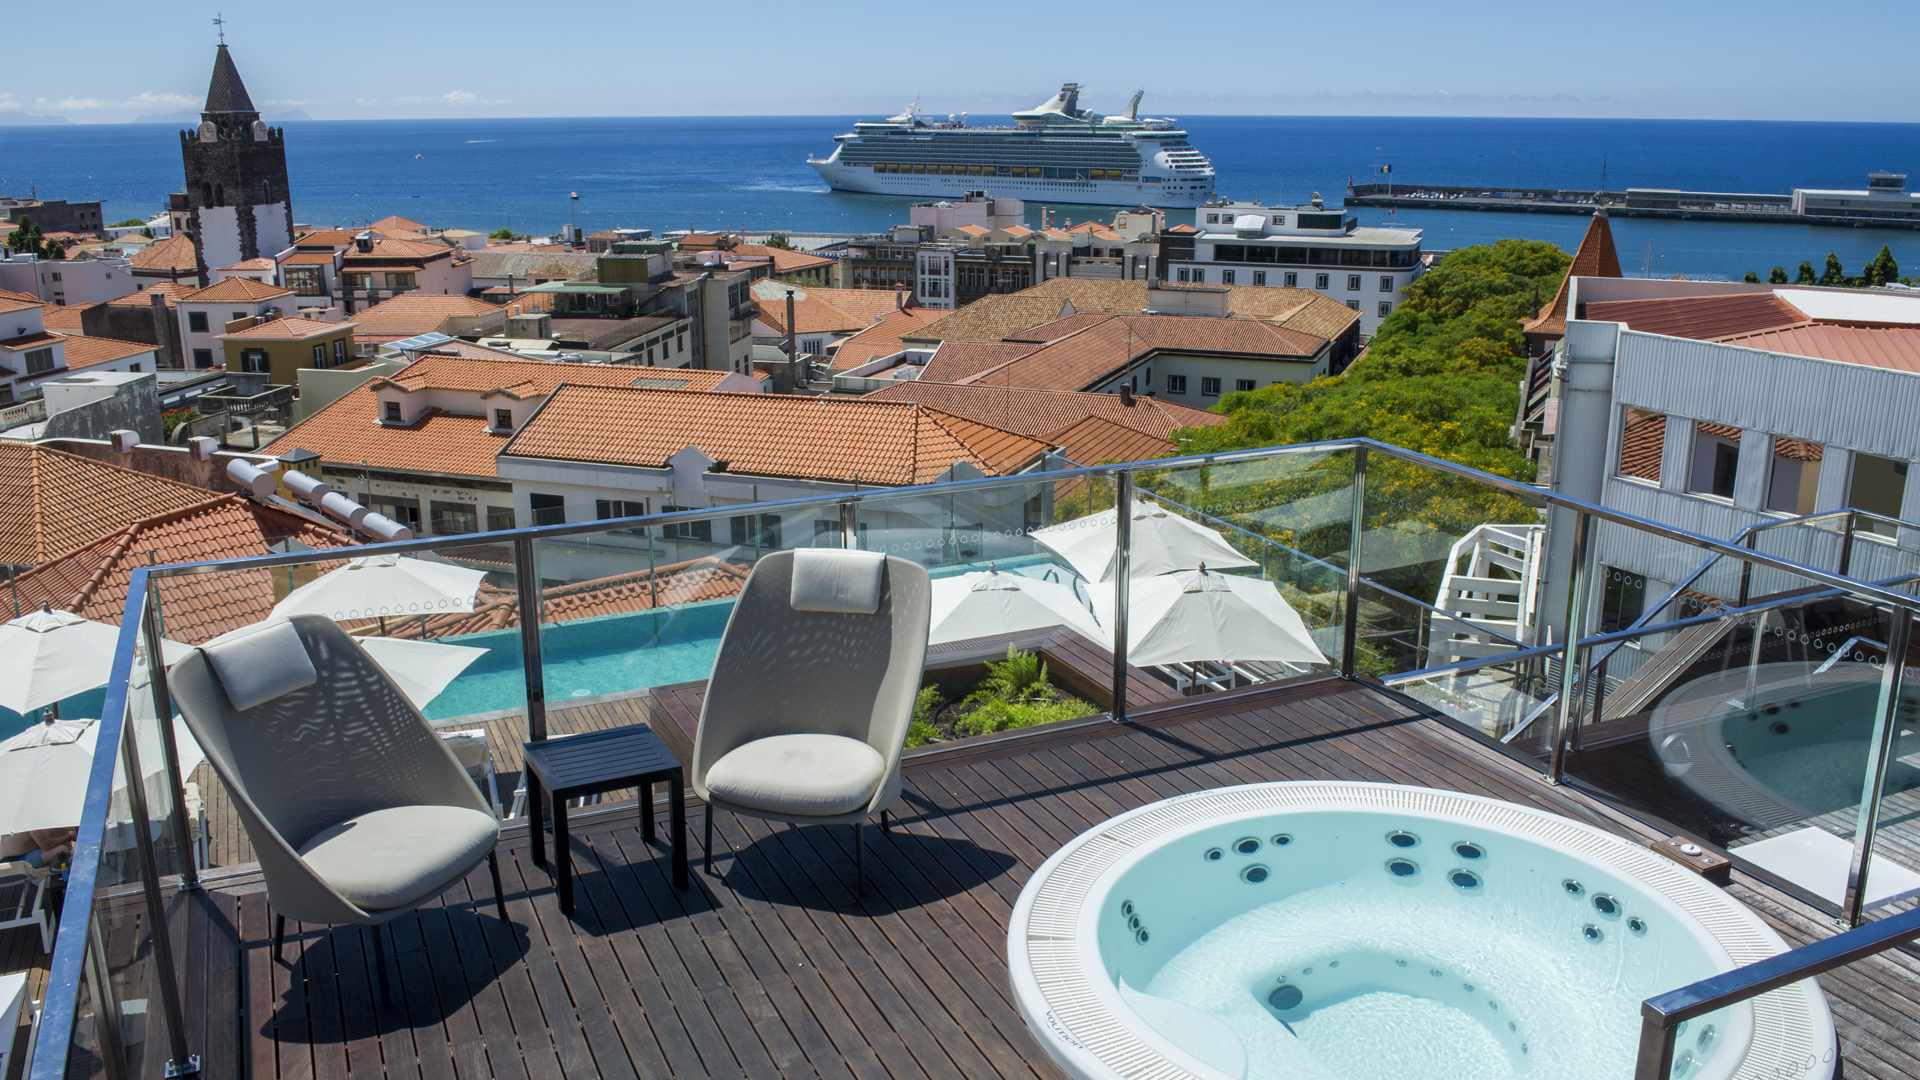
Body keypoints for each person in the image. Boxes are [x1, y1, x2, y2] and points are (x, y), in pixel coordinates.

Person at [0, 828, 76, 869]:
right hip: (13, 861)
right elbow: (47, 845)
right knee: (61, 851)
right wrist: (69, 837)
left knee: (54, 832)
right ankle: (63, 887)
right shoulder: (29, 816)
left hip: (21, 853)